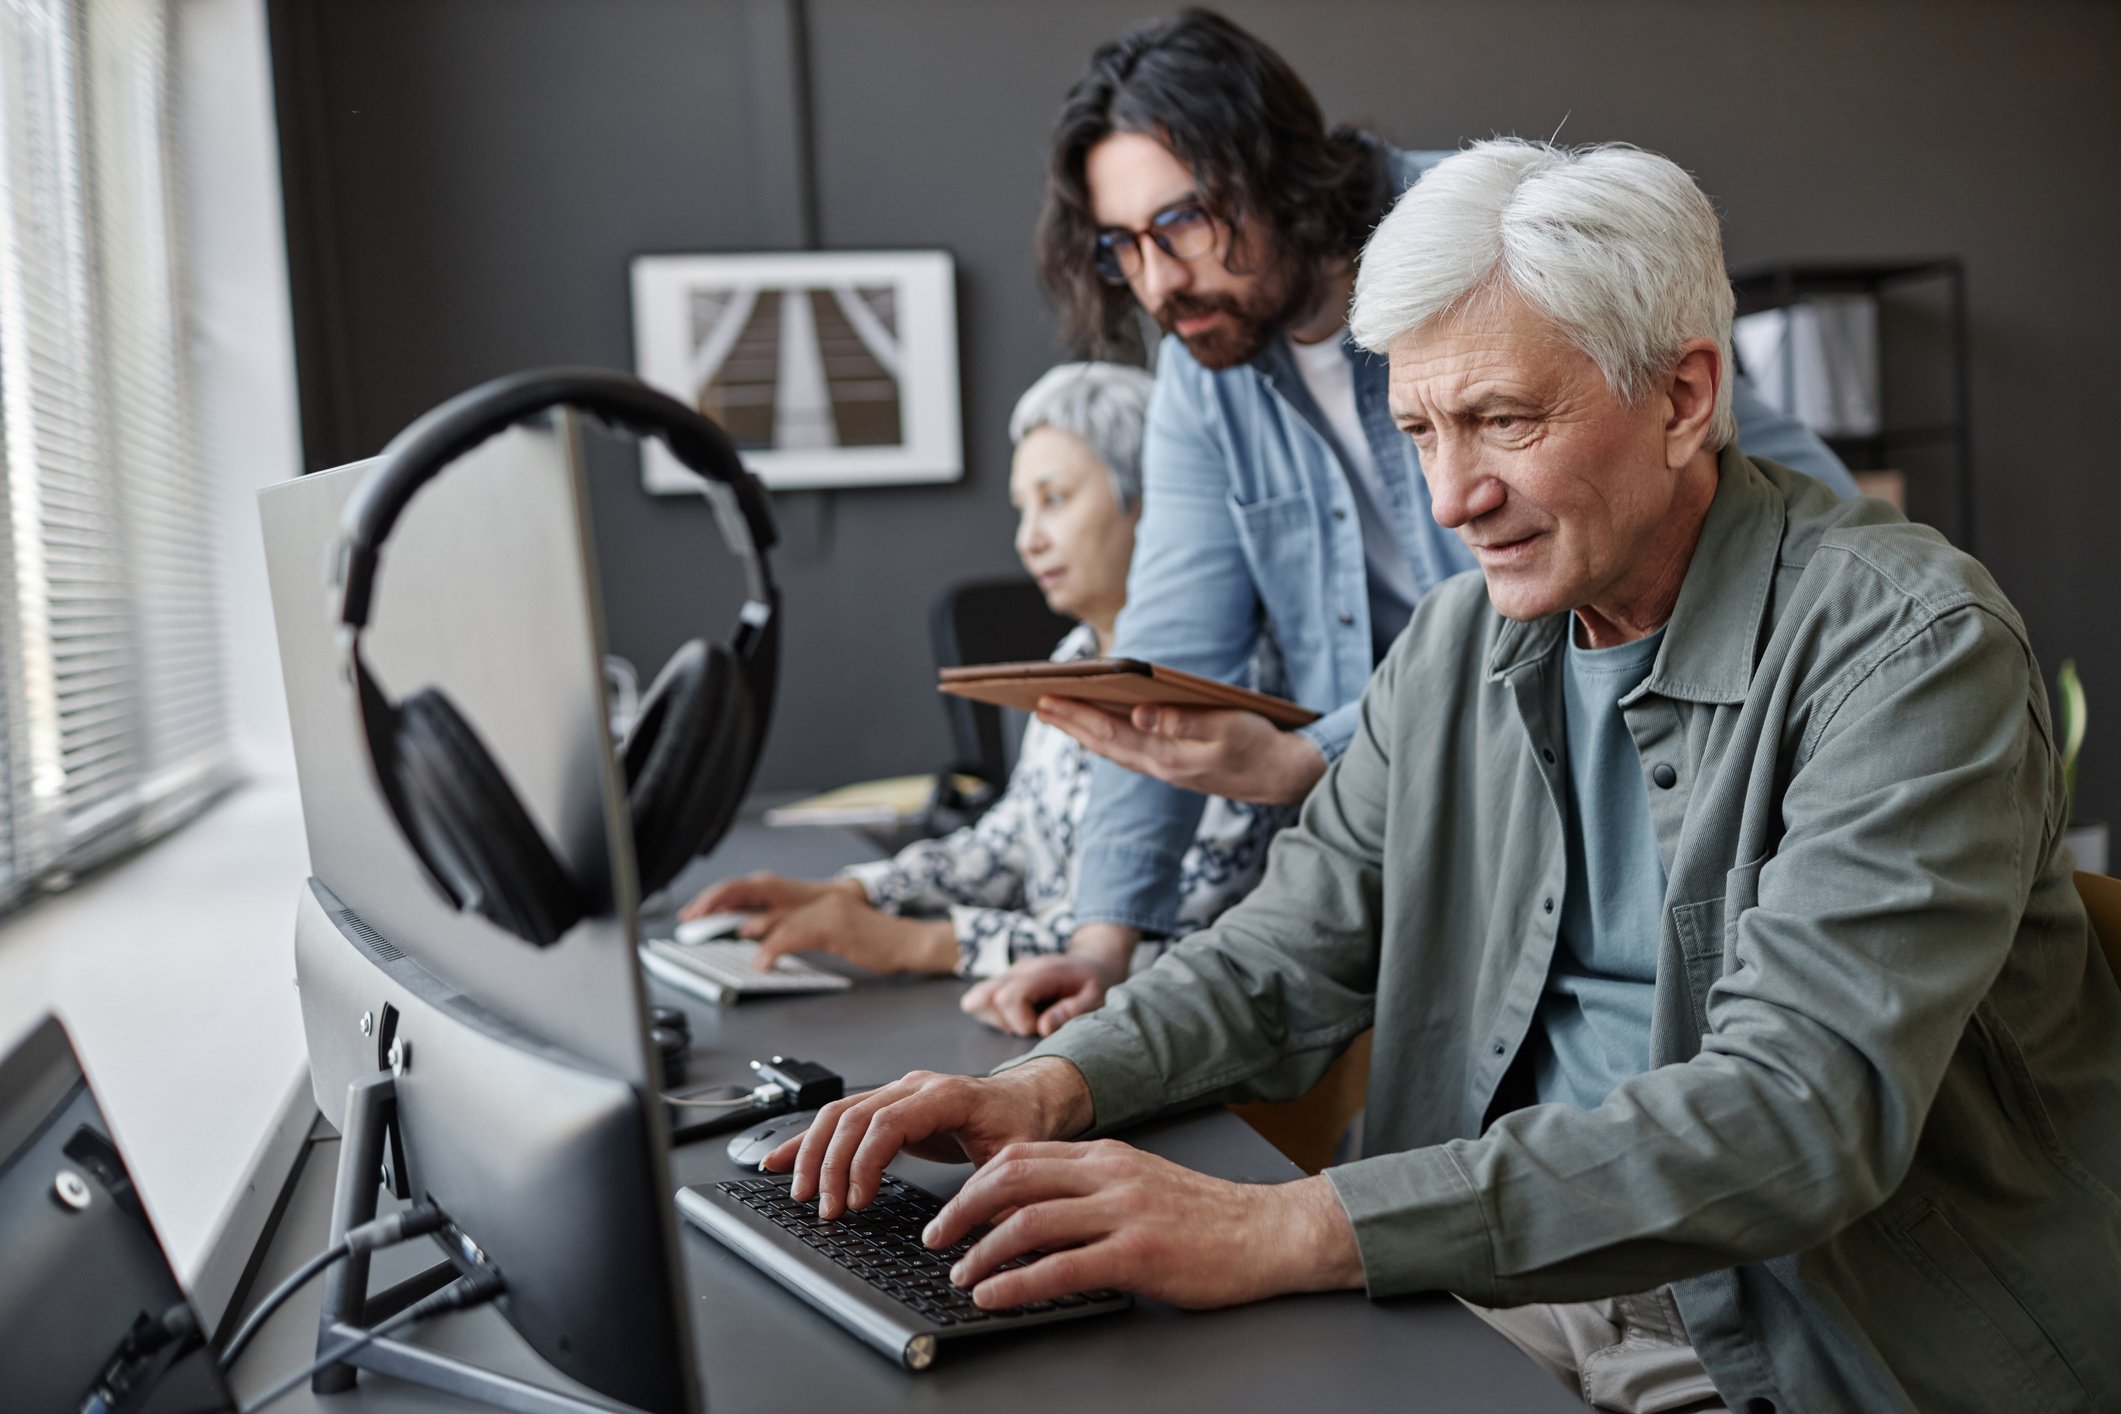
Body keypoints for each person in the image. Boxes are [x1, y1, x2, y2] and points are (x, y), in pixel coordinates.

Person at [763, 140, 2121, 1412]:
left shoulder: (1912, 651)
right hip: (1485, 1282)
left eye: (1499, 419)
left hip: (1805, 1340)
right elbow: (1289, 947)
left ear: (1685, 397)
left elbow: (1793, 1111)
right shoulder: (1466, 637)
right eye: (1420, 431)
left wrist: (1284, 1223)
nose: (1448, 496)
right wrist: (1046, 1088)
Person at [971, 9, 1865, 1036]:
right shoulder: (1205, 365)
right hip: (1432, 805)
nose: (1160, 280)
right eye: (1124, 245)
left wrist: (1324, 753)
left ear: (1274, 168)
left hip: (1659, 742)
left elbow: (1752, 496)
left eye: (1183, 222)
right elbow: (1170, 644)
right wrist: (1102, 941)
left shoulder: (1493, 240)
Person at [680, 363, 1286, 978]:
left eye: (1055, 500)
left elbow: (1178, 937)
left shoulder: (1231, 681)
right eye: (1023, 509)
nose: (1029, 540)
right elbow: (1014, 840)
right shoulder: (1075, 655)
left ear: (1155, 503)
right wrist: (854, 893)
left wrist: (914, 944)